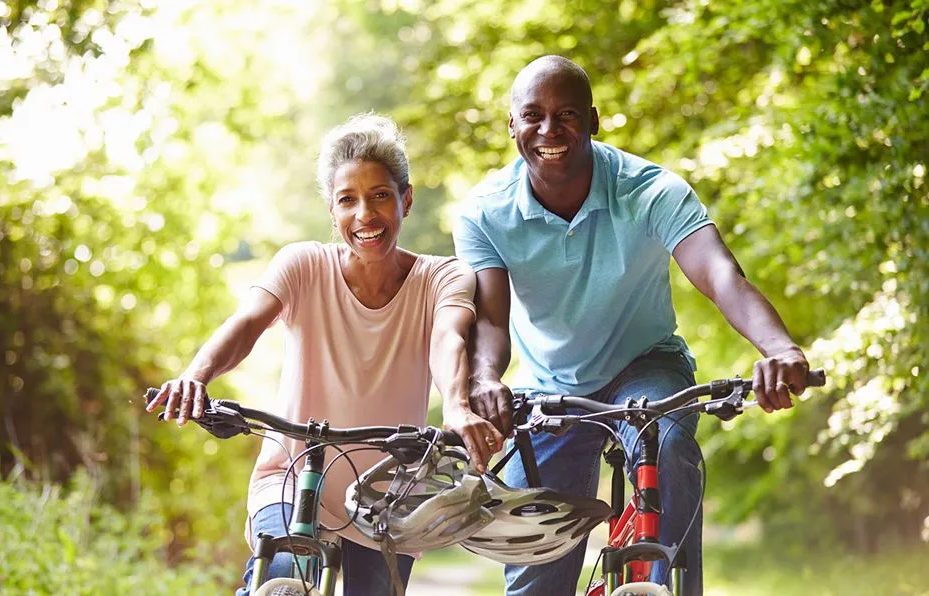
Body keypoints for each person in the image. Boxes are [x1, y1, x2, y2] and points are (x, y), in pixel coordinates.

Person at [452, 56, 811, 596]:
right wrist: (482, 378)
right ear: (512, 125)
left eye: (567, 114)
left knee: (664, 443)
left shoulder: (649, 190)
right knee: (537, 563)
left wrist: (780, 347)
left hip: (645, 365)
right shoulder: (483, 212)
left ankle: (669, 585)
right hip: (551, 384)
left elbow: (720, 276)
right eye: (533, 116)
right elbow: (492, 323)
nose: (549, 131)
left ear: (594, 121)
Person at [146, 113, 504, 596]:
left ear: (407, 199)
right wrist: (197, 375)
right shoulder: (303, 265)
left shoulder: (442, 278)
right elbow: (246, 323)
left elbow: (449, 339)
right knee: (280, 578)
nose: (365, 215)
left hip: (385, 495)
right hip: (292, 475)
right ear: (332, 212)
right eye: (347, 200)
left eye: (380, 195)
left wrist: (458, 407)